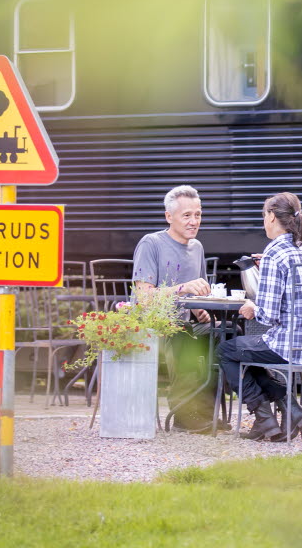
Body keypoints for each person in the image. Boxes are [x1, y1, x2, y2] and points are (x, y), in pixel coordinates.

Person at [219, 192, 302, 442]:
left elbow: (267, 317)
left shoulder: (274, 253)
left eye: (263, 216)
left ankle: (264, 417)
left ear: (270, 216)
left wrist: (251, 307)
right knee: (246, 354)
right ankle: (288, 408)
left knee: (226, 350)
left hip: (287, 345)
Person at [131, 185, 218, 432]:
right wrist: (183, 289)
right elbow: (144, 298)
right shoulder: (151, 243)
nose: (194, 221)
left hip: (184, 322)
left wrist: (201, 311)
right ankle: (184, 416)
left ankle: (205, 411)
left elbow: (194, 297)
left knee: (223, 336)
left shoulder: (197, 247)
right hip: (151, 324)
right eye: (187, 215)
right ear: (169, 217)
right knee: (184, 336)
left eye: (198, 214)